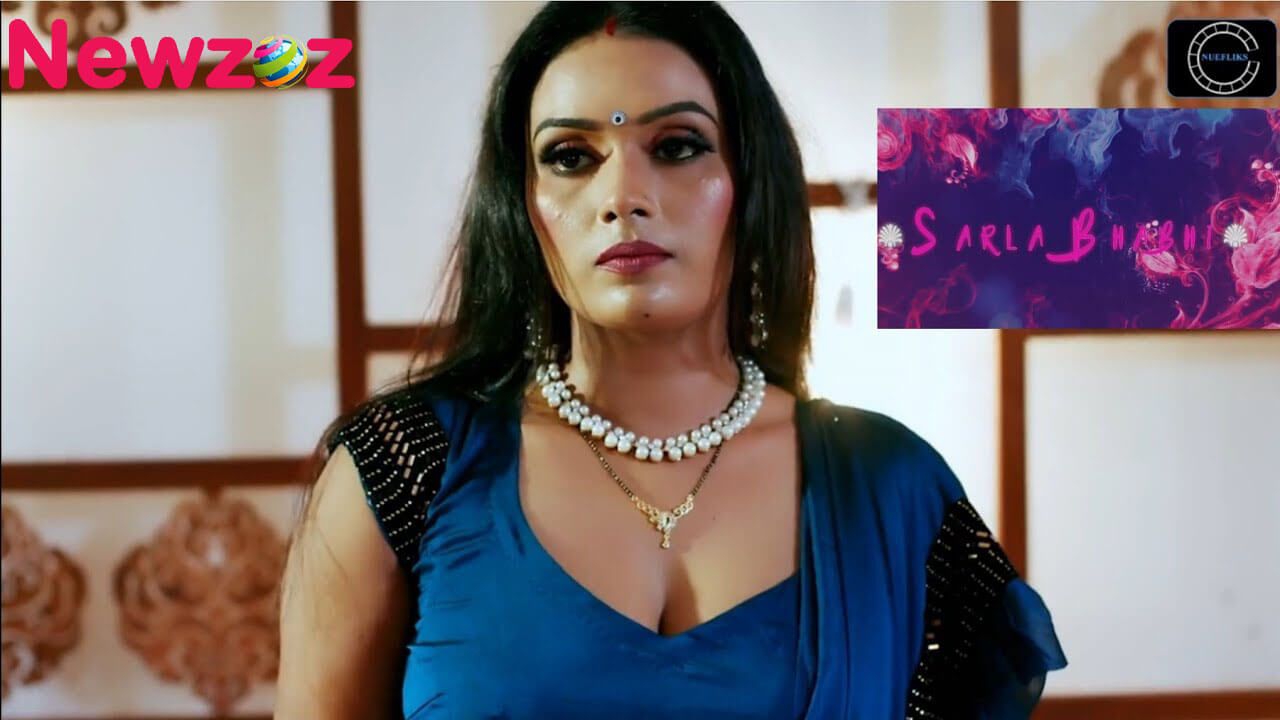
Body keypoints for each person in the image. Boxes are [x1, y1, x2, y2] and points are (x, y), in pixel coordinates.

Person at [275, 3, 1067, 718]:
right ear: (521, 204)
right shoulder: (406, 471)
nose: (624, 195)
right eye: (571, 156)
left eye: (677, 146)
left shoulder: (890, 484)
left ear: (749, 182)